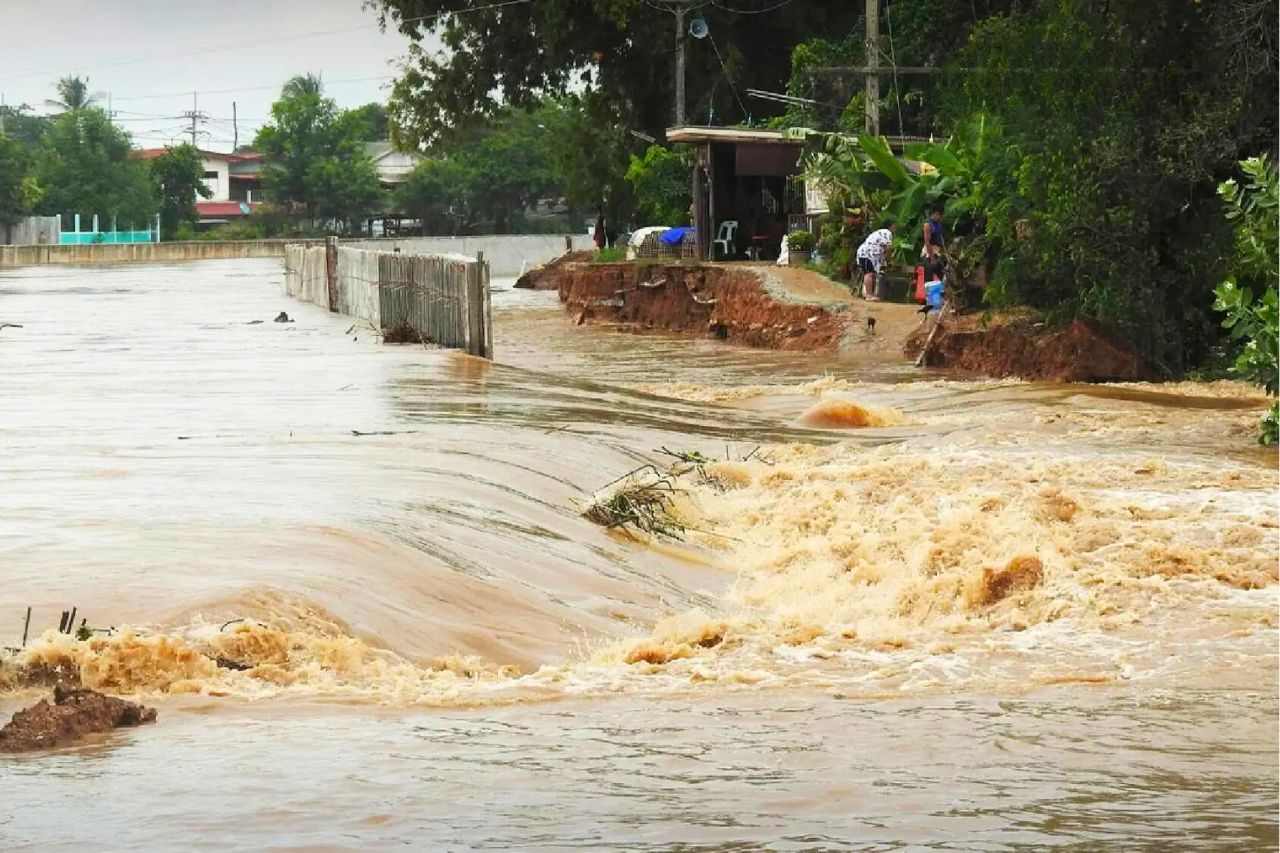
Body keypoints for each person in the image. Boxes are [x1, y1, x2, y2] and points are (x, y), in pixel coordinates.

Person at [856, 223, 895, 300]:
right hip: (868, 254)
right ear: (891, 226)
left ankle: (867, 293)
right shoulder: (887, 232)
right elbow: (888, 247)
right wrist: (889, 259)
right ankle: (869, 295)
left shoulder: (879, 232)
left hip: (866, 253)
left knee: (870, 274)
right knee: (869, 274)